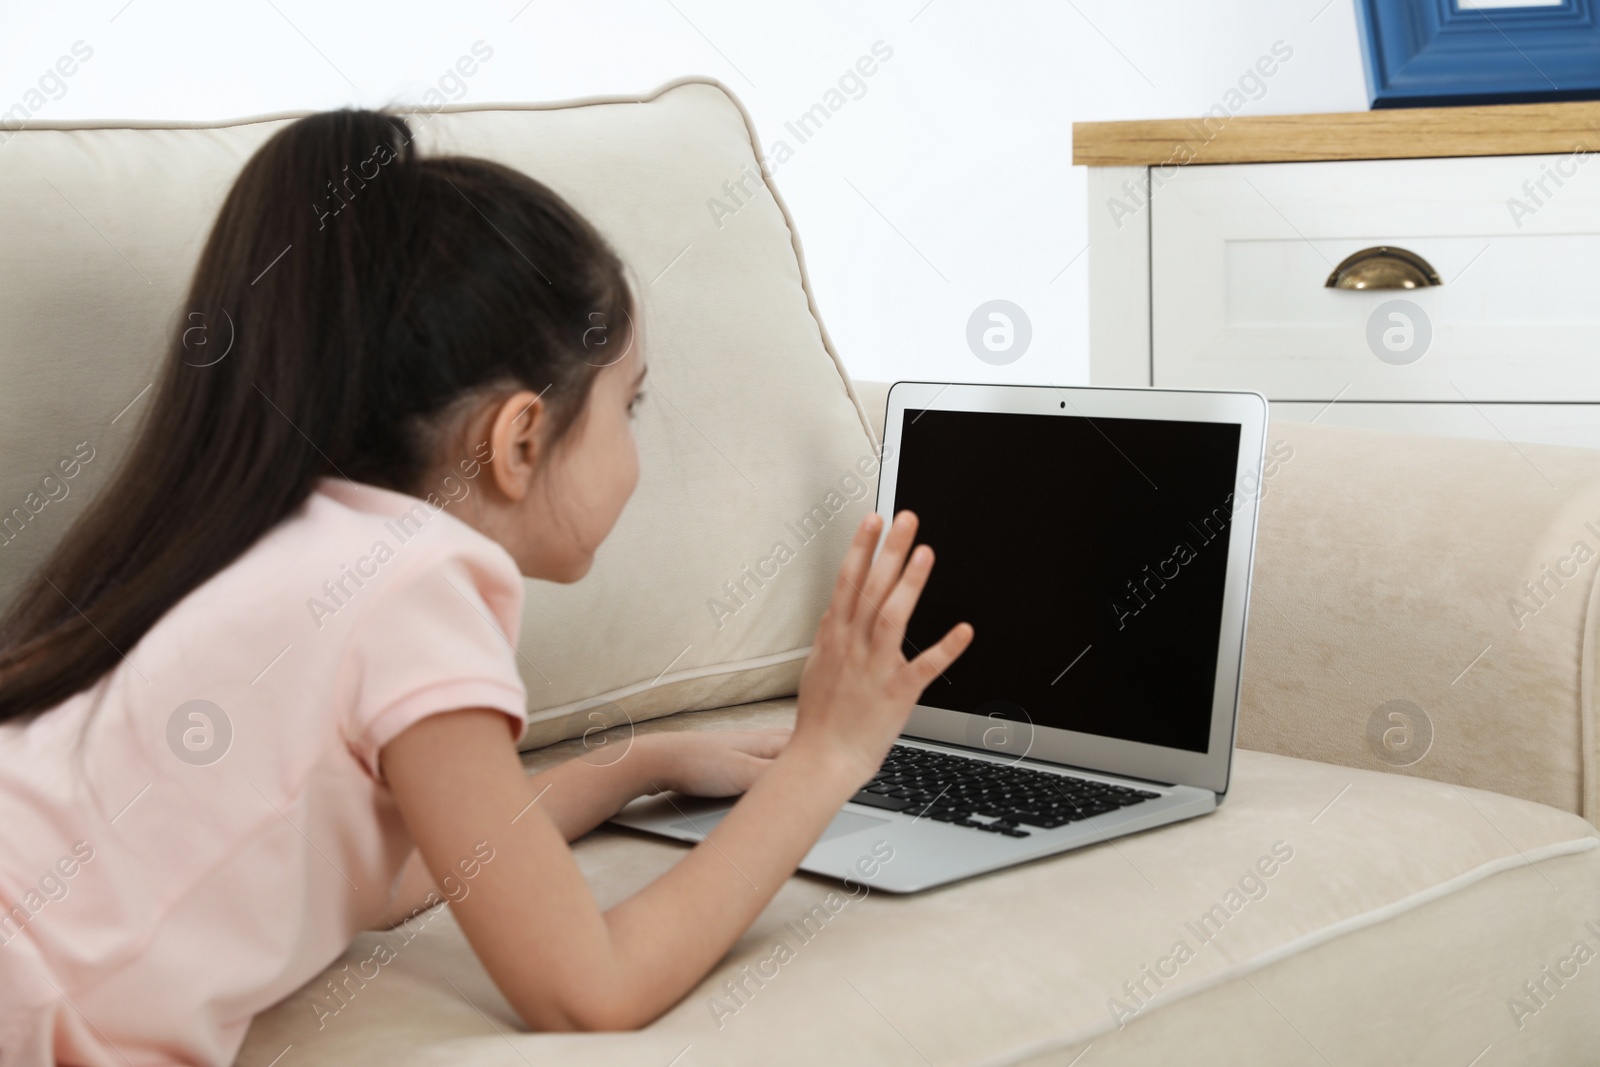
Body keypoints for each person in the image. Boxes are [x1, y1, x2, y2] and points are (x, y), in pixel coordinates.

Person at [0, 107, 973, 1065]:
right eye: (627, 404)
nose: (637, 449)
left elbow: (391, 876)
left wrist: (639, 759)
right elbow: (589, 987)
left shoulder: (293, 540)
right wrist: (828, 754)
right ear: (516, 440)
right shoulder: (413, 588)